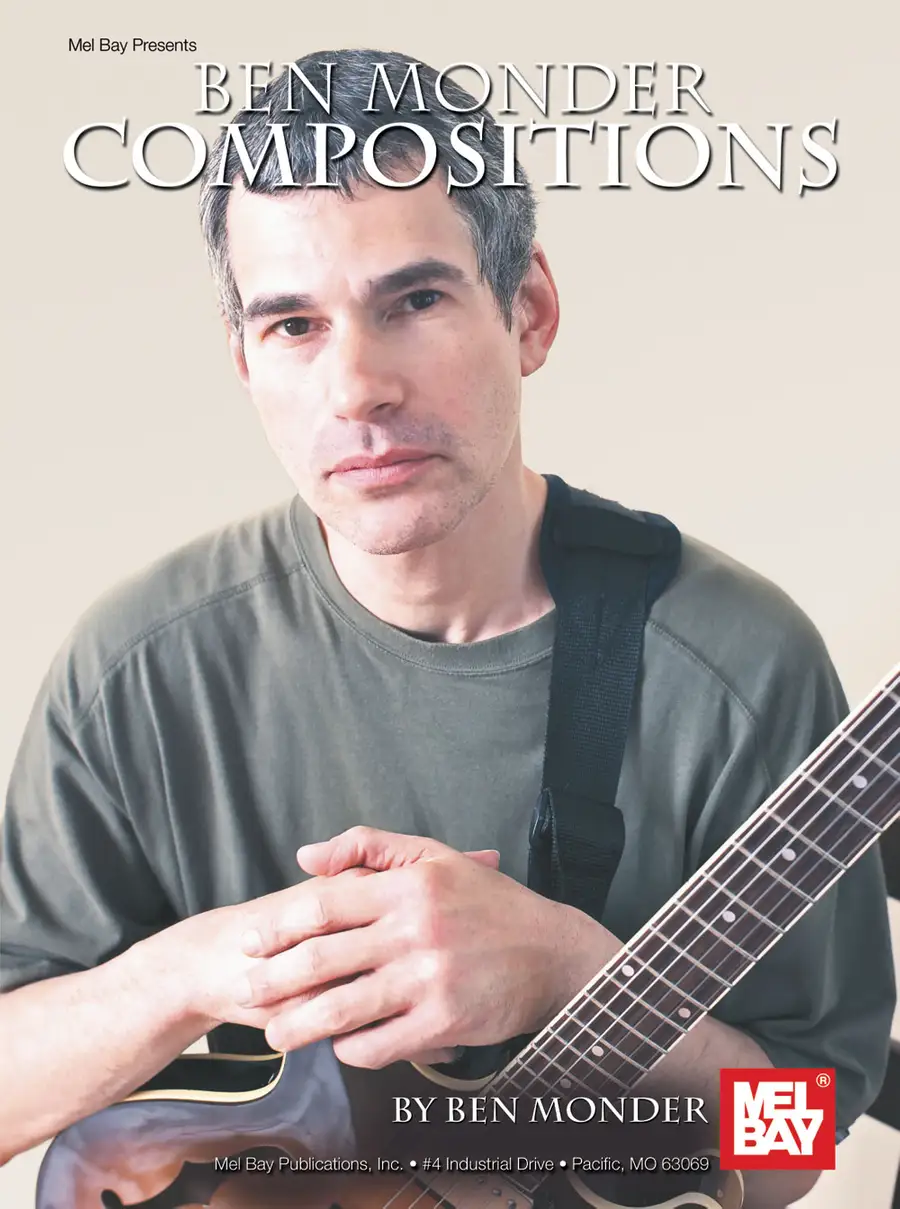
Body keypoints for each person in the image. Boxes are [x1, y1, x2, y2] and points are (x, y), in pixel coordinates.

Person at [0, 49, 893, 1209]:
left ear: (529, 312)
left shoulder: (738, 666)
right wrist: (211, 968)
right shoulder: (136, 669)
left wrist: (569, 968)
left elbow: (799, 1142)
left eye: (414, 302)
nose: (357, 388)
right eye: (293, 325)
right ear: (244, 363)